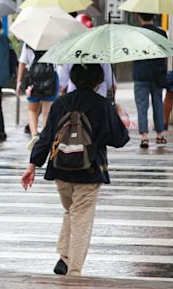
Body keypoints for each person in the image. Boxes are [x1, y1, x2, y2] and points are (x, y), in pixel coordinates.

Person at [21, 64, 129, 277]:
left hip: (60, 170)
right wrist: (115, 113)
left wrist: (32, 165)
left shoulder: (61, 103)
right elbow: (119, 139)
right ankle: (74, 272)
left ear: (73, 78)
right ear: (98, 81)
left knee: (70, 211)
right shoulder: (102, 105)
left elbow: (46, 137)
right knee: (81, 217)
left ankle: (64, 257)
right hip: (89, 171)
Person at [133, 13, 168, 148]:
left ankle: (144, 137)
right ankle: (159, 135)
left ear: (139, 17)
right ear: (153, 17)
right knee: (158, 103)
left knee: (142, 106)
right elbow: (165, 51)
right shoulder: (161, 33)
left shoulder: (136, 33)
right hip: (157, 73)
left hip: (140, 73)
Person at [16, 43, 59, 150]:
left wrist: (19, 82)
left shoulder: (29, 42)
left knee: (32, 110)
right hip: (50, 78)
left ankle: (34, 134)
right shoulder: (54, 41)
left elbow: (22, 62)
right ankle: (45, 136)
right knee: (47, 111)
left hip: (33, 78)